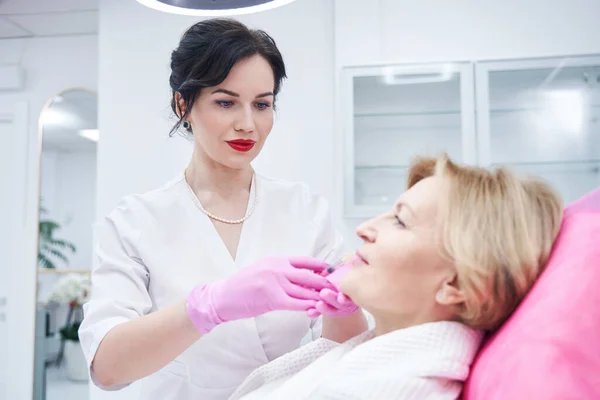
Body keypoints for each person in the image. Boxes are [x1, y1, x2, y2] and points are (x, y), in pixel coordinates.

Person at [78, 18, 367, 400]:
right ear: (184, 104)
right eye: (226, 102)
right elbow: (108, 368)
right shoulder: (135, 222)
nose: (248, 124)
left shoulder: (305, 210)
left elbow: (343, 354)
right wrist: (208, 307)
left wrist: (344, 305)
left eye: (262, 104)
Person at [229, 153, 564, 400]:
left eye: (400, 221)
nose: (364, 228)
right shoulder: (384, 357)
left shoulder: (396, 389)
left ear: (457, 284)